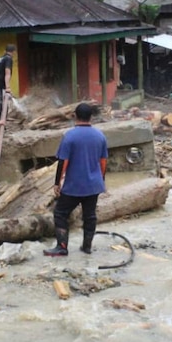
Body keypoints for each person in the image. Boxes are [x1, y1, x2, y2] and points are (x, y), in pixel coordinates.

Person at [44, 103, 108, 257]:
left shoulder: (70, 136)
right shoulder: (100, 136)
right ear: (91, 117)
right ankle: (87, 247)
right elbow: (103, 162)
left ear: (75, 116)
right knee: (90, 215)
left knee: (60, 213)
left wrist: (57, 183)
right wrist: (101, 180)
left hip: (74, 185)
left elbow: (63, 162)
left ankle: (62, 247)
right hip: (93, 185)